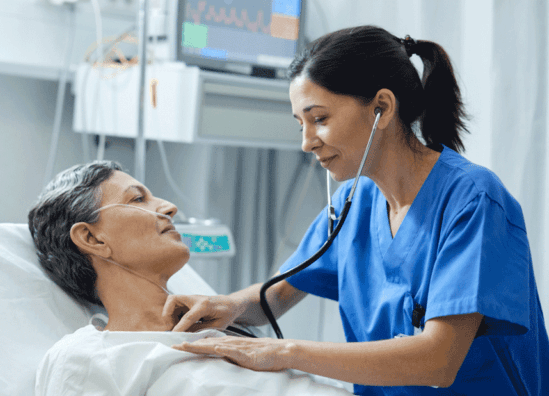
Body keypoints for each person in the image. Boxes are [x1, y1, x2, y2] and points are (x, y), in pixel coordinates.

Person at [166, 25, 549, 395]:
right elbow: (276, 297)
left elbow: (439, 358)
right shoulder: (355, 204)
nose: (306, 142)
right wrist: (225, 305)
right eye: (300, 123)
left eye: (319, 119)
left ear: (381, 108)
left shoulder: (473, 200)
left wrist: (283, 353)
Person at [28, 161, 352, 395]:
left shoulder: (226, 337)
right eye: (137, 199)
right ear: (93, 239)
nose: (169, 207)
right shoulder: (87, 357)